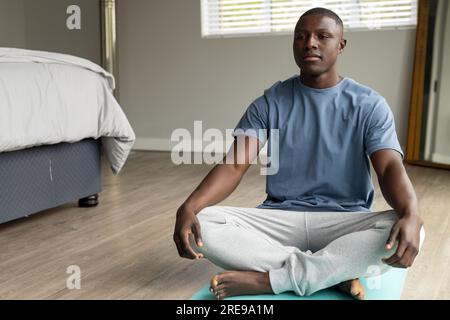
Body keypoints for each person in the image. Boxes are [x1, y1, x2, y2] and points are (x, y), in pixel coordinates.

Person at [173, 7, 425, 300]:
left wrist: (412, 212)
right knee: (202, 222)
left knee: (412, 228)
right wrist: (189, 206)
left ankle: (270, 279)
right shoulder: (269, 103)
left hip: (343, 220)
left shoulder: (369, 104)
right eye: (301, 37)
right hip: (280, 218)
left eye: (323, 36)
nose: (310, 43)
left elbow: (388, 167)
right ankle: (333, 272)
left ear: (341, 45)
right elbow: (233, 166)